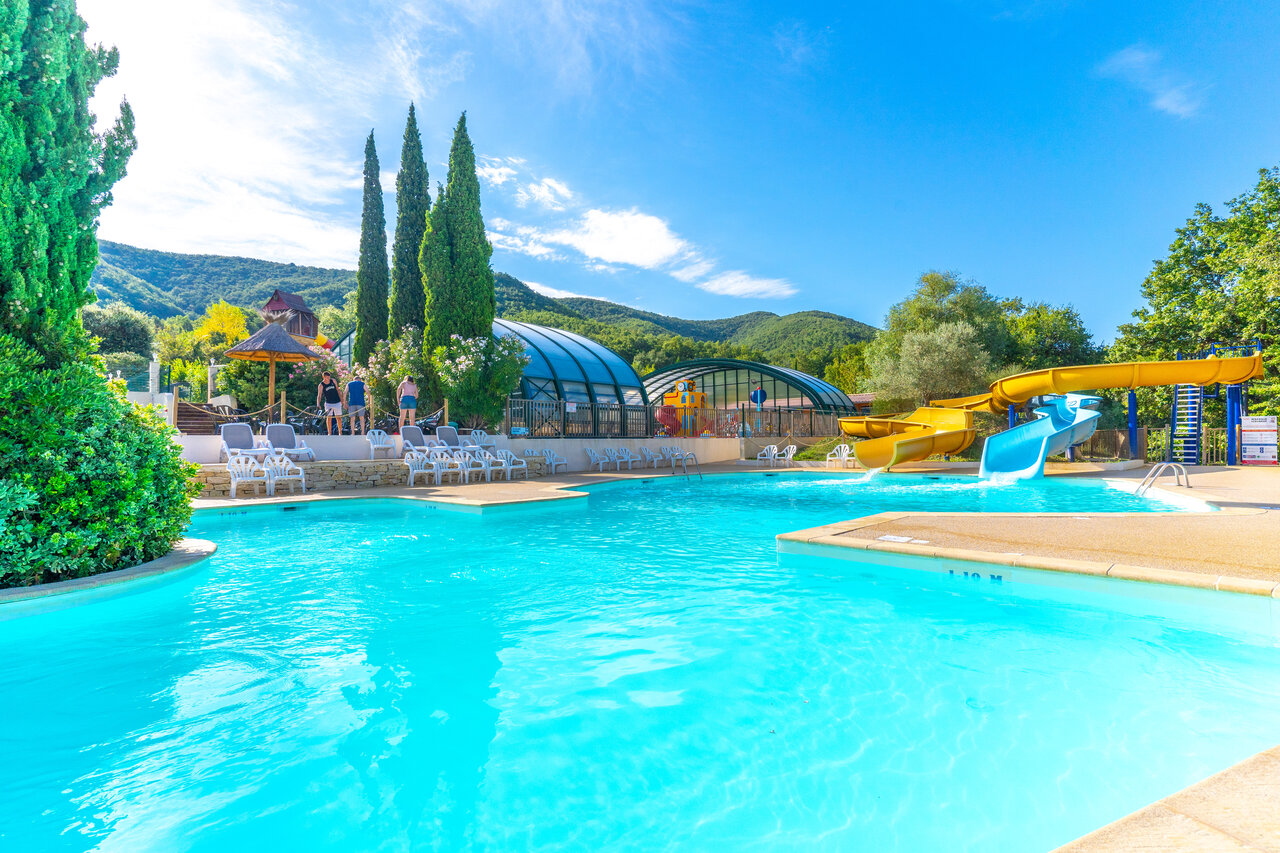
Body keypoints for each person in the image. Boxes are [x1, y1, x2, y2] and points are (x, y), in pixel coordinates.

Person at [317, 370, 344, 435]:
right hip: (328, 403)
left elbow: (338, 390)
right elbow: (319, 395)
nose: (328, 379)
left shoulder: (333, 381)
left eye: (329, 377)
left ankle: (340, 432)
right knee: (329, 418)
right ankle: (329, 433)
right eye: (327, 377)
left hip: (337, 401)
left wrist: (342, 400)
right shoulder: (321, 385)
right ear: (324, 377)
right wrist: (318, 403)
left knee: (338, 418)